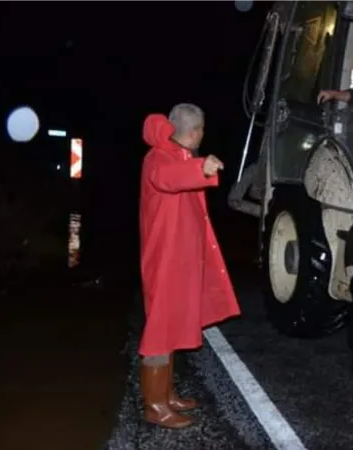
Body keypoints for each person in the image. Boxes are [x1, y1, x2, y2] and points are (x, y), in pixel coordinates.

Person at [138, 104, 240, 429]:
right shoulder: (158, 158)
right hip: (164, 258)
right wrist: (202, 168)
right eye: (201, 130)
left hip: (178, 258)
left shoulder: (177, 155)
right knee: (158, 329)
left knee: (171, 325)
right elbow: (167, 179)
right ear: (196, 132)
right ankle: (155, 405)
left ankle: (166, 395)